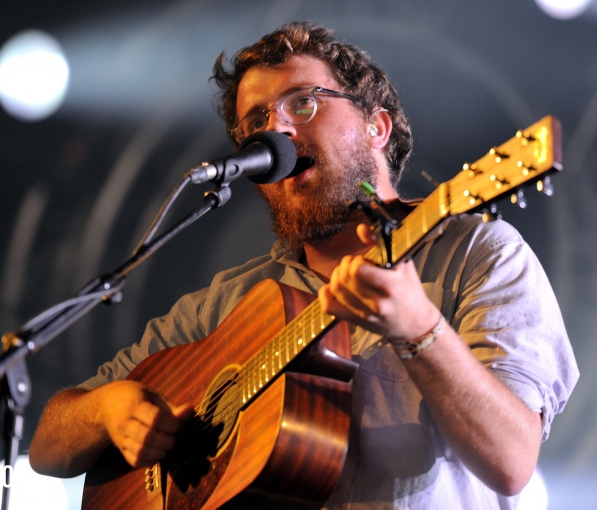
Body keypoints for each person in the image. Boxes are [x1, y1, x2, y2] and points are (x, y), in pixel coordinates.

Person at [29, 21, 579, 508]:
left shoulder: (478, 255)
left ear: (376, 127)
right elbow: (47, 447)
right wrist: (107, 408)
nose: (278, 130)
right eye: (257, 122)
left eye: (303, 103)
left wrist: (422, 331)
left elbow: (511, 462)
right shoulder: (225, 305)